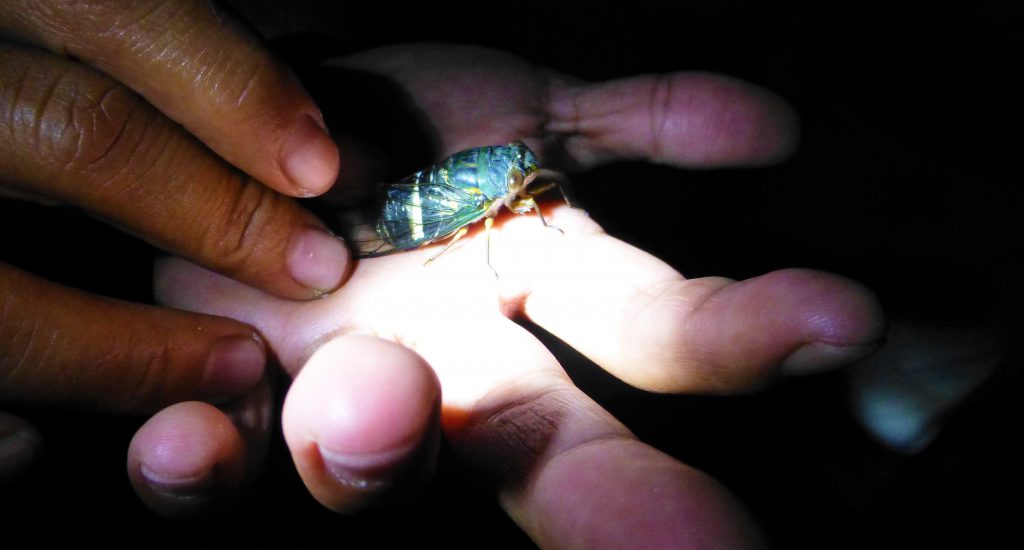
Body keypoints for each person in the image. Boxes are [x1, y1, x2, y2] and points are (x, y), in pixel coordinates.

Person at [0, 1, 885, 547]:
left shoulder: (518, 172)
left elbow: (515, 191)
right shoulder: (501, 181)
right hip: (403, 210)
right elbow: (481, 204)